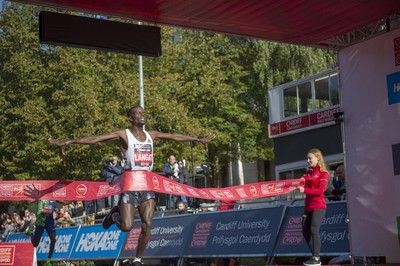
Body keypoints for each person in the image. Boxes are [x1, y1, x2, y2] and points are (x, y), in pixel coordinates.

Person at [49, 105, 214, 266]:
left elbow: (173, 136)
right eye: (138, 113)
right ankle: (114, 215)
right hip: (130, 184)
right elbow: (96, 139)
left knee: (147, 223)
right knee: (127, 226)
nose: (143, 115)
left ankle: (137, 259)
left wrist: (197, 139)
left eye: (144, 112)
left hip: (146, 184)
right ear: (131, 118)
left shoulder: (151, 135)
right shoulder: (125, 135)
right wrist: (70, 141)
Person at [295, 148, 329, 266]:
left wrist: (304, 190)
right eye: (307, 158)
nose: (308, 160)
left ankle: (316, 257)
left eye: (310, 158)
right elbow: (301, 180)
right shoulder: (308, 173)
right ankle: (315, 257)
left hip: (319, 206)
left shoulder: (323, 173)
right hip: (308, 207)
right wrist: (297, 182)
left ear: (318, 158)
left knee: (314, 229)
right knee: (305, 231)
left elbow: (320, 191)